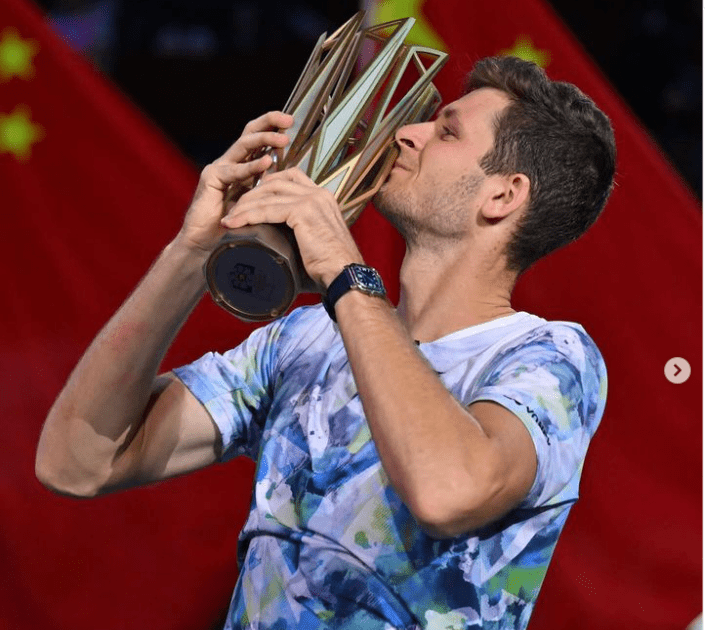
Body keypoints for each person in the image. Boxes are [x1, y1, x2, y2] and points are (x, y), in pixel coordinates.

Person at [36, 56, 616, 629]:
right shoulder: (308, 338)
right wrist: (191, 252)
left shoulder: (551, 358)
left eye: (445, 131)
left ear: (503, 196)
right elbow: (78, 463)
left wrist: (346, 272)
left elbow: (448, 491)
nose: (405, 134)